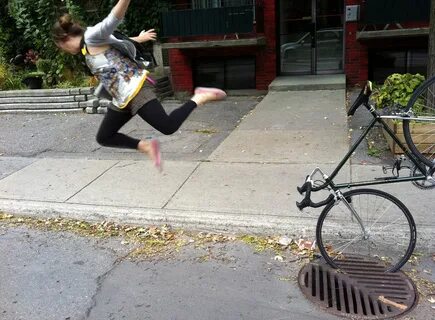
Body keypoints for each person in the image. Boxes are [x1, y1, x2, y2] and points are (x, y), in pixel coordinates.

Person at [52, 0, 226, 171]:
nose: (63, 51)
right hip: (121, 97)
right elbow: (115, 41)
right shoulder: (88, 46)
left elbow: (114, 18)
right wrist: (139, 39)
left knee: (168, 126)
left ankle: (198, 97)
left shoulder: (91, 36)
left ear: (64, 40)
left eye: (60, 47)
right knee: (105, 137)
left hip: (136, 88)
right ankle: (146, 146)